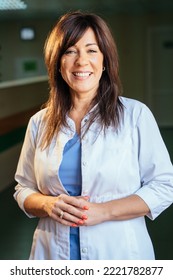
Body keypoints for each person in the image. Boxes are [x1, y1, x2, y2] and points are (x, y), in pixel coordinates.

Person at [14, 11, 173, 260]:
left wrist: (103, 212)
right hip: (53, 256)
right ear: (57, 62)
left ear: (105, 60)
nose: (81, 62)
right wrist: (47, 204)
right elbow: (23, 188)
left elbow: (165, 186)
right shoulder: (39, 123)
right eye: (70, 51)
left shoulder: (136, 116)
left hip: (120, 255)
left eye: (91, 50)